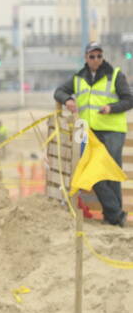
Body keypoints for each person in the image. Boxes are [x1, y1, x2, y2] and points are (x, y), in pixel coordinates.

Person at [54, 40, 133, 226]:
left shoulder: (115, 75)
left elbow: (129, 100)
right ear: (86, 58)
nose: (96, 59)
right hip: (89, 132)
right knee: (93, 171)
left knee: (111, 173)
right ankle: (116, 214)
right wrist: (67, 100)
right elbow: (58, 91)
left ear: (102, 57)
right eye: (92, 56)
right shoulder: (78, 77)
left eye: (99, 56)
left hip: (112, 131)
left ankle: (113, 218)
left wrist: (111, 108)